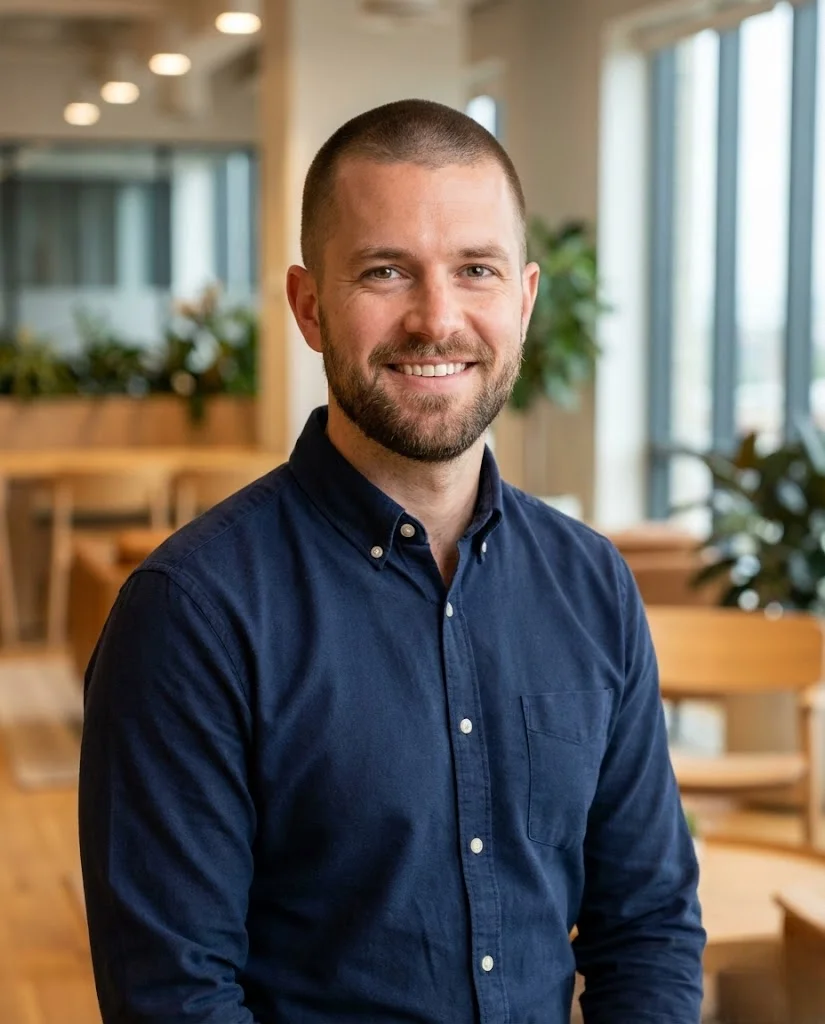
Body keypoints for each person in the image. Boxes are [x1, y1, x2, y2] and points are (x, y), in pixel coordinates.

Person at [79, 98, 705, 1024]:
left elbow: (648, 926)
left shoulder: (591, 585)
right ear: (308, 306)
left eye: (475, 270)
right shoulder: (190, 613)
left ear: (524, 300)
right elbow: (174, 996)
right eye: (385, 272)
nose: (436, 318)